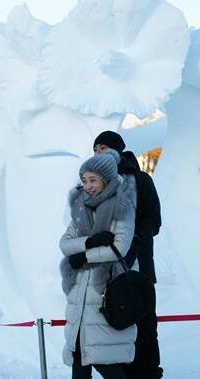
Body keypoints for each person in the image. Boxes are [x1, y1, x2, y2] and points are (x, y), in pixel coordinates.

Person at [60, 151, 137, 379]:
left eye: (93, 180)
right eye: (84, 180)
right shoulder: (80, 208)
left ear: (106, 179)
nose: (88, 186)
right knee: (79, 358)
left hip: (106, 290)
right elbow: (65, 244)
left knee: (105, 360)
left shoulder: (121, 206)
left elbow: (118, 248)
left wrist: (84, 257)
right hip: (80, 296)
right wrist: (90, 241)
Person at [93, 130, 163, 379]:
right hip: (107, 271)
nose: (99, 152)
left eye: (104, 147)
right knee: (112, 327)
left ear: (118, 151)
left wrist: (131, 241)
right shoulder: (93, 183)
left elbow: (154, 220)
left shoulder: (141, 180)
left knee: (144, 328)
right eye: (96, 148)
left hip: (138, 269)